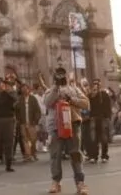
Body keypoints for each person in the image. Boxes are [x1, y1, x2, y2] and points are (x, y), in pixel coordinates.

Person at [45, 67, 90, 195]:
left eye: (62, 74)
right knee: (55, 155)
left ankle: (80, 183)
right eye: (57, 75)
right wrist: (55, 89)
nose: (60, 77)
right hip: (56, 126)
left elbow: (86, 103)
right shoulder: (50, 90)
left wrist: (71, 99)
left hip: (73, 124)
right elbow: (47, 103)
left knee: (75, 153)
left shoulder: (74, 89)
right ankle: (56, 182)